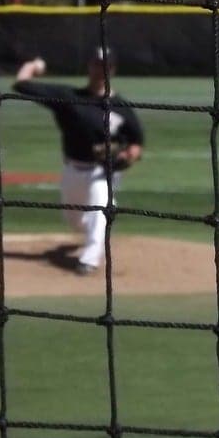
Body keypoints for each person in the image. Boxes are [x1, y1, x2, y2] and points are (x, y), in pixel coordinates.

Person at [13, 46, 144, 276]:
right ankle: (100, 224)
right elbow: (21, 85)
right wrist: (32, 67)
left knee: (99, 207)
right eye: (96, 64)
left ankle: (89, 259)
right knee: (75, 220)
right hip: (73, 169)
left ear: (113, 70)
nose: (100, 70)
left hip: (104, 172)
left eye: (105, 66)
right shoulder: (68, 98)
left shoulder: (122, 108)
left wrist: (128, 156)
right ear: (89, 67)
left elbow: (136, 143)